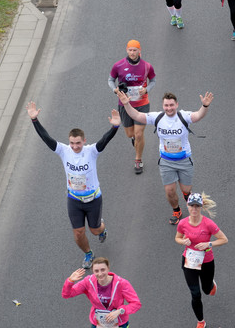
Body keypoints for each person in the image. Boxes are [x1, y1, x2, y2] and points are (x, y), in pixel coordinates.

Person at [26, 101, 120, 268]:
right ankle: (88, 254)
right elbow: (46, 137)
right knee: (78, 233)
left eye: (78, 143)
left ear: (84, 141)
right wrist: (35, 120)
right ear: (69, 142)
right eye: (72, 143)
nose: (75, 146)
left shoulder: (91, 151)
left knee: (95, 229)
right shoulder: (64, 150)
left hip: (93, 199)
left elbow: (105, 140)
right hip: (74, 199)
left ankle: (101, 228)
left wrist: (114, 128)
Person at [117, 90, 213, 225]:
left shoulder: (183, 116)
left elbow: (197, 116)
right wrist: (126, 104)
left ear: (177, 105)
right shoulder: (158, 117)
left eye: (171, 105)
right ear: (163, 106)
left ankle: (188, 199)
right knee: (170, 191)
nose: (169, 108)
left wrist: (205, 106)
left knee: (186, 190)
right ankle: (177, 210)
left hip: (184, 160)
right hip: (166, 161)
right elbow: (138, 115)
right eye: (166, 105)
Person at [175, 193, 228, 328]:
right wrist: (183, 241)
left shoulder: (208, 224)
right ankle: (201, 321)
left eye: (197, 206)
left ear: (201, 207)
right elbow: (177, 238)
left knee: (206, 290)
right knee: (195, 294)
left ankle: (211, 285)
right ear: (187, 206)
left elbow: (224, 239)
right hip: (189, 261)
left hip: (206, 262)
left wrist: (208, 244)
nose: (194, 209)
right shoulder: (183, 223)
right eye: (192, 206)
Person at [108, 39, 156, 174]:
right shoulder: (118, 66)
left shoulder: (147, 66)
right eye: (130, 50)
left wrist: (147, 90)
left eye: (135, 50)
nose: (132, 52)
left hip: (142, 104)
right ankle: (135, 139)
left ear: (139, 51)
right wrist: (115, 89)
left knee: (139, 134)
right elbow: (111, 79)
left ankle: (138, 160)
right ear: (126, 50)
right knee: (130, 134)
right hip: (125, 104)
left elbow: (153, 80)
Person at [62, 257, 141, 327]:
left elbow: (136, 304)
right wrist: (70, 281)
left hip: (120, 323)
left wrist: (119, 311)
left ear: (108, 268)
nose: (100, 274)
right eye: (96, 271)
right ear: (92, 271)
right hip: (98, 323)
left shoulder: (121, 283)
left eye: (103, 270)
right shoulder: (88, 282)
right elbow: (67, 294)